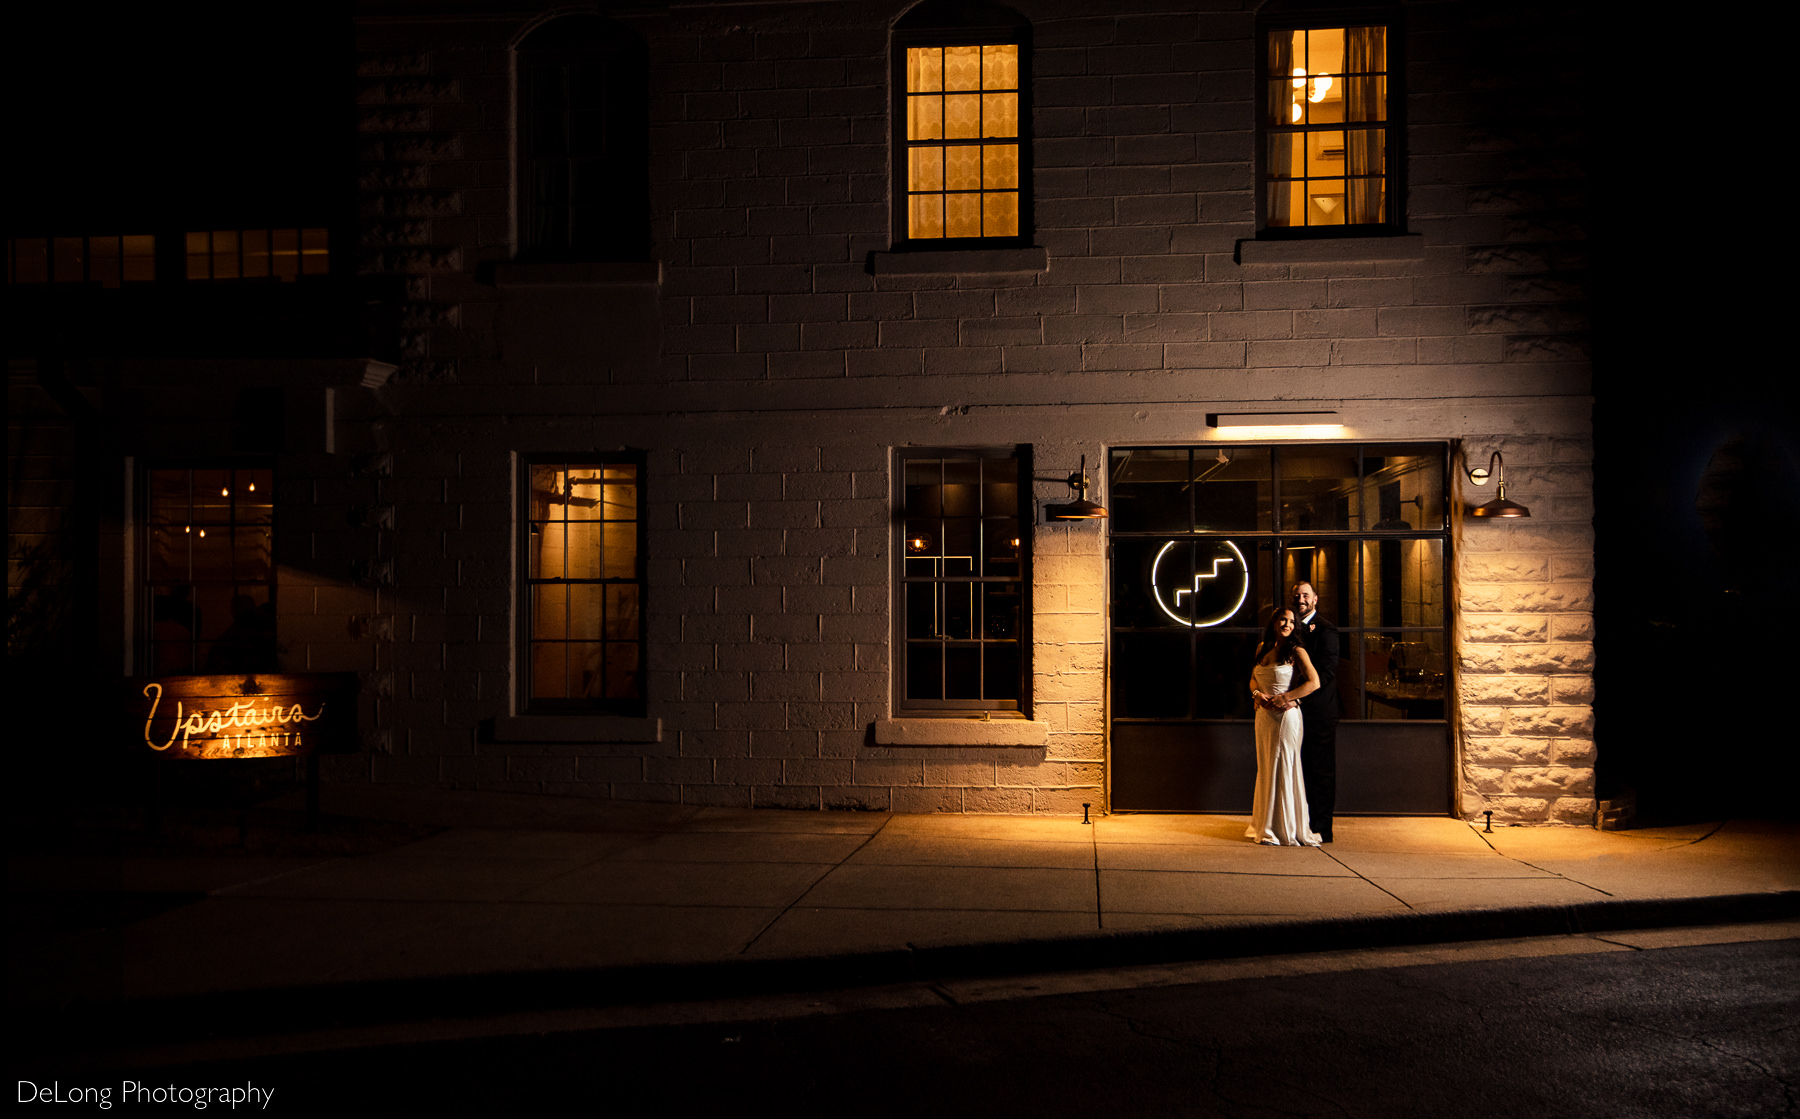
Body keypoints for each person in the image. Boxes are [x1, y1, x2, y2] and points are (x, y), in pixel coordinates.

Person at [1246, 608, 1322, 847]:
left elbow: (1314, 682)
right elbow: (1253, 679)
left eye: (1291, 621)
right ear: (1275, 622)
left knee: (1283, 767)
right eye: (1283, 619)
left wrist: (1287, 697)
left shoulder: (1296, 651)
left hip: (1285, 717)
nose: (1287, 624)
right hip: (1264, 718)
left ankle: (1283, 828)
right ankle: (1265, 825)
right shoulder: (1262, 647)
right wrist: (1257, 694)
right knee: (1267, 768)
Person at [1291, 581, 1341, 842]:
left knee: (1320, 771)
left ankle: (1322, 829)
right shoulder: (1290, 628)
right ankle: (1300, 824)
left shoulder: (1326, 630)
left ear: (1315, 599)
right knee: (1298, 769)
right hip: (1292, 714)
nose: (1301, 599)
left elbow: (1326, 673)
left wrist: (1295, 698)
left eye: (1305, 595)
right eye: (1297, 595)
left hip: (1319, 712)